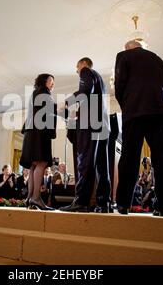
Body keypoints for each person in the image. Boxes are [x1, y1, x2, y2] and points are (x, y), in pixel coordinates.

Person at [114, 40, 163, 216]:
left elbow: (119, 85)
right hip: (159, 111)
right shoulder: (157, 59)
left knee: (129, 158)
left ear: (128, 48)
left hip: (134, 111)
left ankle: (123, 204)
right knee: (162, 160)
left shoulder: (123, 56)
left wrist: (127, 104)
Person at [59, 57, 111, 213]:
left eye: (77, 68)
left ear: (82, 64)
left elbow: (84, 91)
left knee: (85, 162)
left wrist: (66, 102)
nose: (77, 71)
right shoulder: (100, 79)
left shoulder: (86, 71)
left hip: (90, 125)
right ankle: (103, 203)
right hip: (102, 125)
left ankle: (81, 201)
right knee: (102, 167)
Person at [20, 73, 57, 210]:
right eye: (51, 81)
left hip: (32, 132)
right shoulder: (43, 92)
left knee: (34, 165)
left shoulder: (35, 93)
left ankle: (30, 198)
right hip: (39, 132)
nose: (52, 84)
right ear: (44, 82)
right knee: (41, 162)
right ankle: (36, 198)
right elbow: (50, 110)